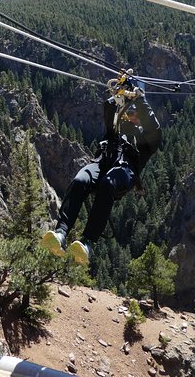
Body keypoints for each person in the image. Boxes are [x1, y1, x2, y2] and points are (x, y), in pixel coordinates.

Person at [42, 87, 162, 265]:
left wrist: (139, 99)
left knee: (108, 185)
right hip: (101, 162)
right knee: (79, 181)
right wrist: (120, 93)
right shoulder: (115, 129)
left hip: (124, 171)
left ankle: (87, 242)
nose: (131, 116)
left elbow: (154, 128)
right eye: (129, 113)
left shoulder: (147, 141)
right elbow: (109, 108)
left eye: (135, 114)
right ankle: (61, 232)